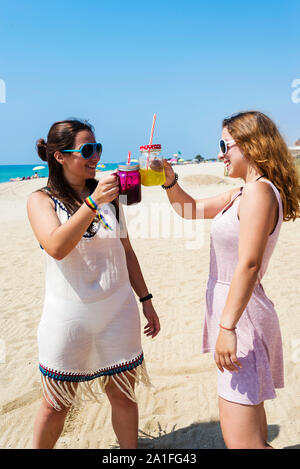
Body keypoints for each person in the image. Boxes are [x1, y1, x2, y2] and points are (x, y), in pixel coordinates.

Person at [162, 111, 300, 449]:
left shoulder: (258, 193)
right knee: (250, 438)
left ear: (250, 145)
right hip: (237, 314)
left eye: (224, 145)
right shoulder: (244, 193)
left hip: (241, 319)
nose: (220, 153)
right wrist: (168, 180)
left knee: (242, 443)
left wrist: (227, 328)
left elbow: (249, 265)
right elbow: (189, 208)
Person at [27, 119, 160, 449]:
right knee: (57, 405)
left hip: (119, 312)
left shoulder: (110, 197)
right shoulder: (40, 200)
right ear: (60, 157)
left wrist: (146, 299)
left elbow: (126, 250)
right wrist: (92, 203)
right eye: (87, 150)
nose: (96, 156)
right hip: (70, 319)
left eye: (97, 148)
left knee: (124, 396)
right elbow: (57, 246)